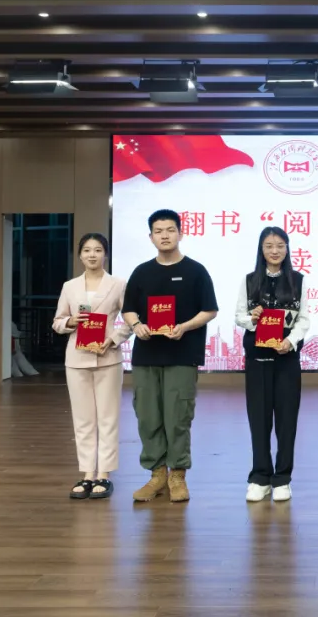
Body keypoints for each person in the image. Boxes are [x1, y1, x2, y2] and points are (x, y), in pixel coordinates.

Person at [121, 209, 219, 503]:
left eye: (170, 230)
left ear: (180, 233)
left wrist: (184, 327)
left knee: (178, 416)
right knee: (147, 416)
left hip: (182, 354)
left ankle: (178, 474)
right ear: (150, 236)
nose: (164, 235)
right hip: (146, 356)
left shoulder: (196, 271)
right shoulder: (141, 272)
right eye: (158, 231)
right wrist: (136, 325)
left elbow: (210, 310)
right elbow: (128, 309)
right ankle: (156, 474)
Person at [235, 226, 311, 503]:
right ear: (261, 249)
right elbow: (239, 316)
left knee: (286, 421)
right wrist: (252, 319)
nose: (275, 251)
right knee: (259, 419)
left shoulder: (298, 280)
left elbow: (304, 319)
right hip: (257, 359)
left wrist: (290, 341)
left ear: (287, 249)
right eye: (269, 246)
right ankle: (260, 477)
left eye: (280, 245)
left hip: (286, 359)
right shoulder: (249, 280)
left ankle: (282, 479)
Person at [52, 233, 131, 500]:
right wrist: (70, 322)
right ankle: (87, 473)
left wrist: (113, 339)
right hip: (77, 359)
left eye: (98, 250)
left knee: (108, 418)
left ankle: (104, 474)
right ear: (80, 255)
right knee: (83, 420)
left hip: (108, 356)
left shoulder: (118, 284)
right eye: (87, 250)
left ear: (105, 254)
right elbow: (57, 321)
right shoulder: (70, 286)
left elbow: (131, 320)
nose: (92, 255)